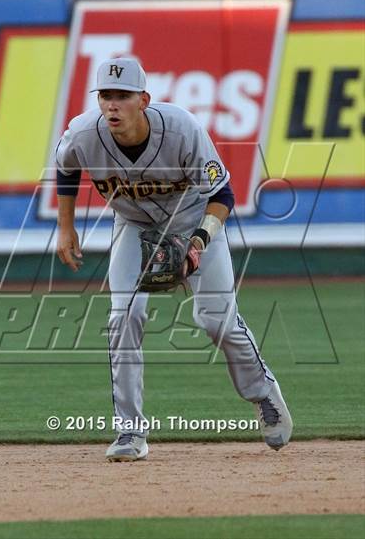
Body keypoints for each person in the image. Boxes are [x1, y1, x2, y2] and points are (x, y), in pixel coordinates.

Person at [55, 57, 293, 462]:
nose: (112, 105)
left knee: (215, 320)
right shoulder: (83, 133)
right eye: (106, 96)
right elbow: (65, 169)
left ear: (143, 99)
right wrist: (66, 227)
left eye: (123, 96)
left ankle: (264, 393)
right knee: (123, 316)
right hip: (132, 224)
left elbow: (223, 197)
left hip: (194, 221)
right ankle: (130, 431)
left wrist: (198, 243)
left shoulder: (182, 129)